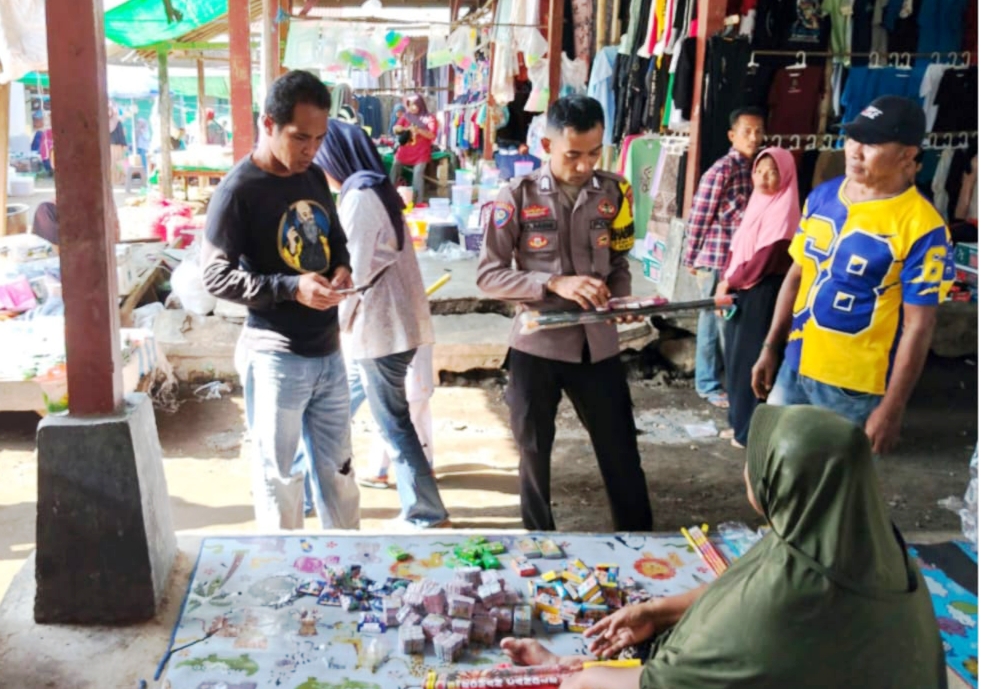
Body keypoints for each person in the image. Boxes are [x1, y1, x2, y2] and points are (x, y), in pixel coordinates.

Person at [498, 404, 947, 689]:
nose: (747, 472)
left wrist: (578, 675)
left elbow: (666, 683)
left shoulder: (782, 597)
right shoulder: (857, 539)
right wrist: (658, 612)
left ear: (780, 482)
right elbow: (744, 586)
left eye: (756, 462)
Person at [477, 94, 653, 532]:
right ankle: (538, 541)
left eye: (595, 153)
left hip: (597, 345)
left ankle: (641, 542)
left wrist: (622, 300)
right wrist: (552, 283)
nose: (585, 165)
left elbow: (617, 263)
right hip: (538, 344)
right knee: (534, 455)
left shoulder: (614, 192)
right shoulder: (516, 196)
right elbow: (488, 276)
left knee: (621, 452)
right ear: (546, 145)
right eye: (573, 154)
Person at [751, 96, 955, 455]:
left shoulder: (924, 228)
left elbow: (919, 326)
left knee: (830, 495)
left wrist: (893, 407)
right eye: (852, 138)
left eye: (872, 143)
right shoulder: (823, 196)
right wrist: (771, 346)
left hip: (853, 388)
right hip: (796, 364)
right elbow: (797, 276)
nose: (855, 151)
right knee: (768, 477)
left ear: (908, 155)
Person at [201, 70, 359, 531]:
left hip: (329, 353)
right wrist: (291, 287)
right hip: (276, 358)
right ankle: (286, 579)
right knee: (280, 478)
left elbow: (336, 239)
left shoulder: (312, 177)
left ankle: (347, 568)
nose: (311, 150)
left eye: (320, 138)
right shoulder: (238, 191)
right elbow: (215, 275)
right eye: (300, 137)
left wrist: (341, 267)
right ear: (268, 124)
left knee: (340, 473)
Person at [315, 119, 450, 530]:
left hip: (380, 331)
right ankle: (308, 486)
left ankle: (427, 513)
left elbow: (350, 273)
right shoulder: (375, 188)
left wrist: (330, 322)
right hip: (390, 328)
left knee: (393, 422)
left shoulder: (359, 197)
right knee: (331, 408)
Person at [715, 148, 799, 449]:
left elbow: (766, 259)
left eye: (772, 171)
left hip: (764, 294)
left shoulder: (785, 210)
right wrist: (727, 279)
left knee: (753, 361)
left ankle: (750, 432)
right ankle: (738, 424)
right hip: (743, 290)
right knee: (736, 359)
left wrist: (728, 281)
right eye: (759, 171)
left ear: (786, 174)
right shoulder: (758, 203)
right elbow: (739, 249)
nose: (764, 178)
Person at [681, 107, 764, 409]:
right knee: (714, 323)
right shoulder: (723, 169)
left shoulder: (753, 167)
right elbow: (700, 213)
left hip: (736, 260)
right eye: (747, 131)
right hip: (715, 259)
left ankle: (720, 381)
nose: (753, 137)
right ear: (732, 135)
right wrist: (690, 257)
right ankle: (708, 384)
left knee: (725, 322)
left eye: (758, 131)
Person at [390, 94, 438, 205]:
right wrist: (399, 128)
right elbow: (395, 129)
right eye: (410, 105)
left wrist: (419, 130)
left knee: (417, 173)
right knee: (395, 165)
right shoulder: (406, 116)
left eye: (415, 105)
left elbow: (432, 135)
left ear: (421, 105)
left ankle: (418, 202)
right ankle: (389, 195)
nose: (412, 108)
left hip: (421, 152)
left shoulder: (429, 118)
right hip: (405, 151)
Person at [109, 102, 128, 186]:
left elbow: (121, 134)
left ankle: (122, 179)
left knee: (120, 163)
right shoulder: (105, 122)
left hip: (117, 146)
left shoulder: (117, 121)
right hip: (110, 146)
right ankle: (114, 180)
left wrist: (124, 145)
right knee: (112, 164)